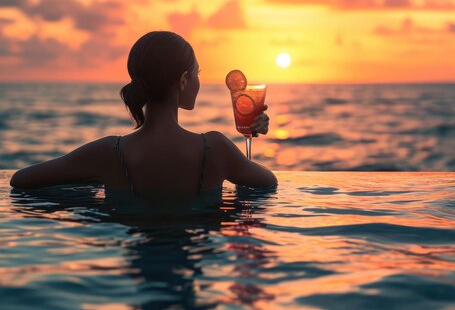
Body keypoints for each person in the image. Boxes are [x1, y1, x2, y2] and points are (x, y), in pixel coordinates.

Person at [10, 31, 277, 196]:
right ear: (184, 80)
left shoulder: (108, 153)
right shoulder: (215, 149)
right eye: (197, 73)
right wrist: (248, 137)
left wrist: (93, 177)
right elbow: (267, 183)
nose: (199, 81)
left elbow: (20, 180)